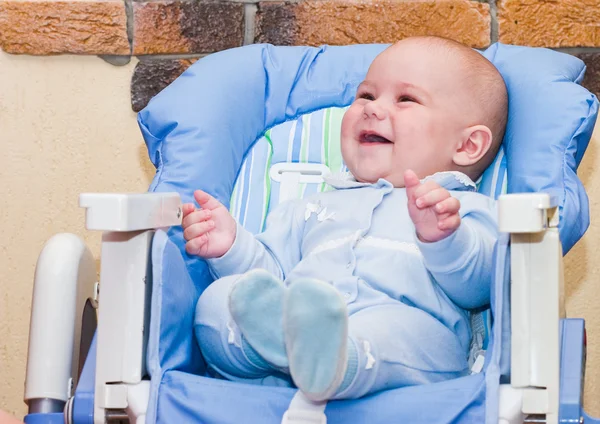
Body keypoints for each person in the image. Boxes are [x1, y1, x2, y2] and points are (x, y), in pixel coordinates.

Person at [181, 35, 508, 401]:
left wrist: (446, 239)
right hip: (302, 323)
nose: (372, 109)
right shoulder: (311, 206)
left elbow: (483, 284)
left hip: (403, 337)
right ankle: (291, 349)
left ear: (467, 146)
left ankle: (336, 360)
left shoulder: (464, 209)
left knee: (399, 333)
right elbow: (270, 276)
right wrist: (231, 246)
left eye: (405, 99)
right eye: (366, 95)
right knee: (220, 299)